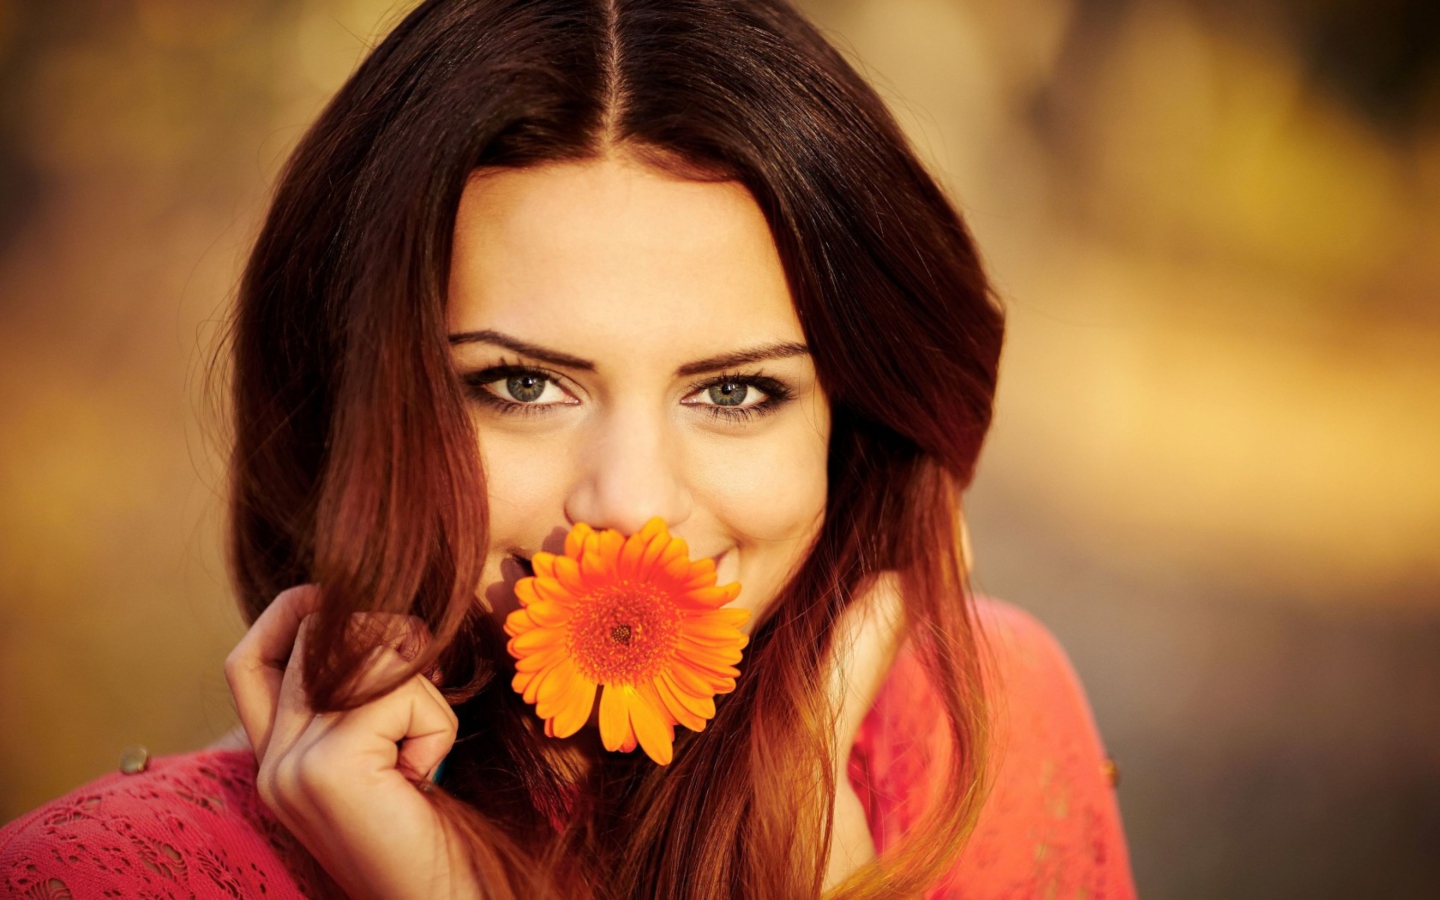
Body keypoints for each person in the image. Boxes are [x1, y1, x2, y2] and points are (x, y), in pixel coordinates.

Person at [0, 0, 1134, 897]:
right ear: (357, 404)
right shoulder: (104, 877)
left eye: (736, 391)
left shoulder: (969, 726)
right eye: (522, 385)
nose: (631, 503)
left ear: (856, 425)